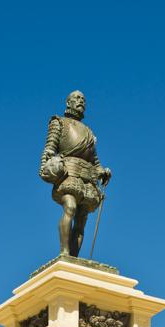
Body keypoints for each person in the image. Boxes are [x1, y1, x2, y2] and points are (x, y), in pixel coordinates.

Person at [39, 91, 112, 257]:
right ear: (68, 103)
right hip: (68, 174)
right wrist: (49, 163)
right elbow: (50, 148)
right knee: (70, 208)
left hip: (87, 178)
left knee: (81, 221)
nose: (81, 102)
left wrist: (102, 171)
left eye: (83, 100)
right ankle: (64, 253)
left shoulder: (89, 132)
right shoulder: (59, 123)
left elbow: (94, 159)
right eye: (77, 99)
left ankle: (74, 257)